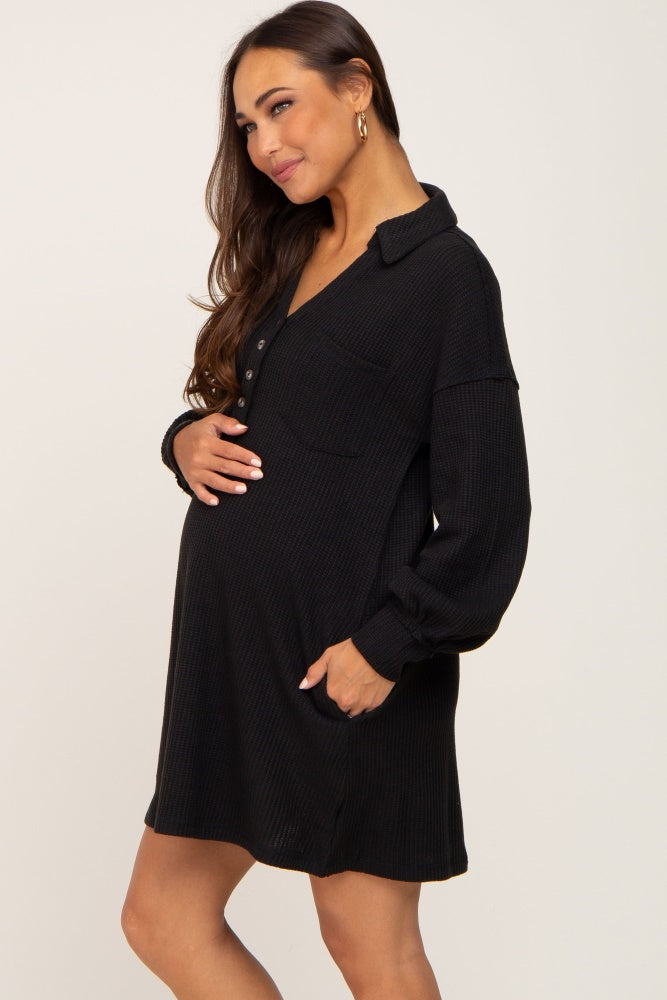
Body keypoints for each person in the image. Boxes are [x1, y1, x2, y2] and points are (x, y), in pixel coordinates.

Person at [120, 2, 532, 998]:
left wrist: (385, 648)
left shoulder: (444, 276)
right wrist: (182, 439)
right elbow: (266, 418)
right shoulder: (294, 248)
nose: (261, 144)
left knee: (367, 948)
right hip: (236, 663)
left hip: (346, 668)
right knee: (162, 916)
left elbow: (489, 514)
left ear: (357, 89)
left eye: (279, 108)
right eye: (245, 125)